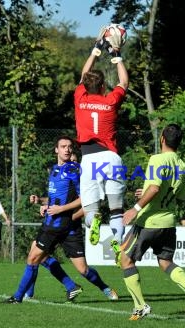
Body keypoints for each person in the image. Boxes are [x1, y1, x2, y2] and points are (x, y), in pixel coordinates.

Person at [2, 136, 117, 304]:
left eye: (70, 147)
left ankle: (20, 297)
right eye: (63, 146)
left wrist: (61, 210)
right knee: (44, 259)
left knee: (41, 259)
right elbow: (57, 199)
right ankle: (66, 287)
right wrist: (41, 201)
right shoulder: (55, 170)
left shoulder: (74, 170)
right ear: (56, 150)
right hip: (58, 224)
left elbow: (86, 198)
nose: (67, 149)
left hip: (60, 224)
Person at [121, 124, 185, 321]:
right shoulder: (182, 166)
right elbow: (178, 196)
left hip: (149, 221)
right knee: (166, 262)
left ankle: (140, 306)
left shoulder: (157, 159)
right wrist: (147, 190)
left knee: (125, 259)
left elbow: (156, 189)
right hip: (168, 222)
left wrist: (135, 208)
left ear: (162, 140)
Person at [74, 31, 129, 263]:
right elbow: (124, 82)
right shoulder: (110, 101)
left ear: (86, 85)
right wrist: (116, 55)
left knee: (90, 212)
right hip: (111, 158)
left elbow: (83, 76)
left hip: (90, 158)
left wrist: (95, 50)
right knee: (117, 210)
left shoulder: (80, 98)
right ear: (104, 85)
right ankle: (117, 241)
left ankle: (95, 221)